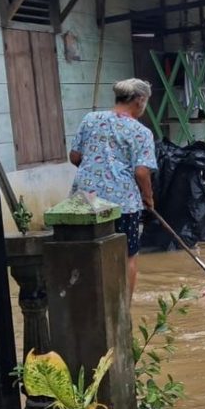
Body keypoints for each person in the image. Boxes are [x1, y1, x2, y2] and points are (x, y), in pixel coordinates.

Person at [69, 78, 157, 302]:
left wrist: (95, 171)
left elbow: (75, 157)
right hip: (122, 204)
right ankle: (123, 309)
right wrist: (148, 197)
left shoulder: (90, 119)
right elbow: (141, 172)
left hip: (84, 201)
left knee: (85, 253)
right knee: (127, 256)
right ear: (140, 100)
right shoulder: (141, 132)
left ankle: (88, 304)